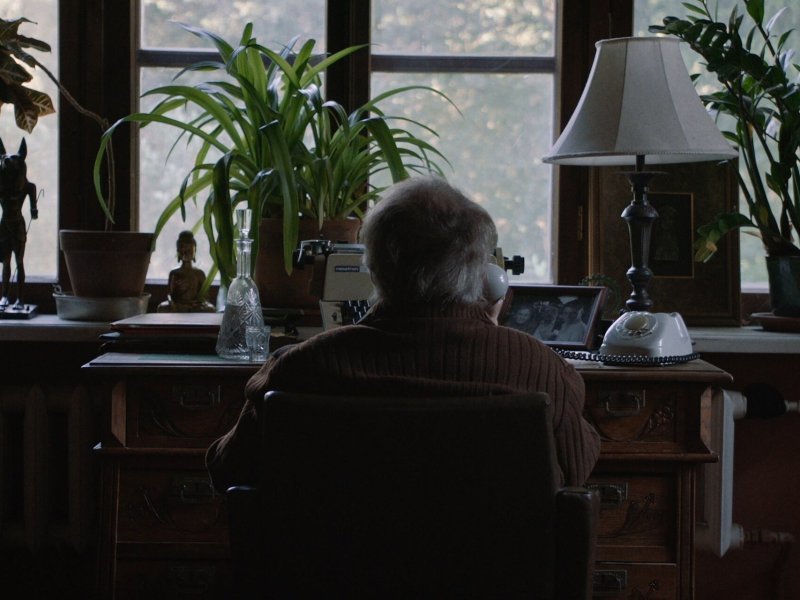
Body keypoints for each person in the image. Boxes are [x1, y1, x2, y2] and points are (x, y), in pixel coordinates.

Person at [206, 176, 600, 491]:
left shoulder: (296, 370)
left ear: (373, 267)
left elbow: (228, 470)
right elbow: (575, 474)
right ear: (483, 273)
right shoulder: (542, 372)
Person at [157, 230, 215, 312]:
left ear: (195, 251)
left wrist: (197, 303)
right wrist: (171, 303)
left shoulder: (199, 273)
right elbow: (170, 295)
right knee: (161, 307)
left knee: (211, 308)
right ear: (178, 252)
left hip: (194, 306)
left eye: (190, 250)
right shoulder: (174, 273)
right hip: (178, 305)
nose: (186, 253)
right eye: (183, 251)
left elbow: (205, 296)